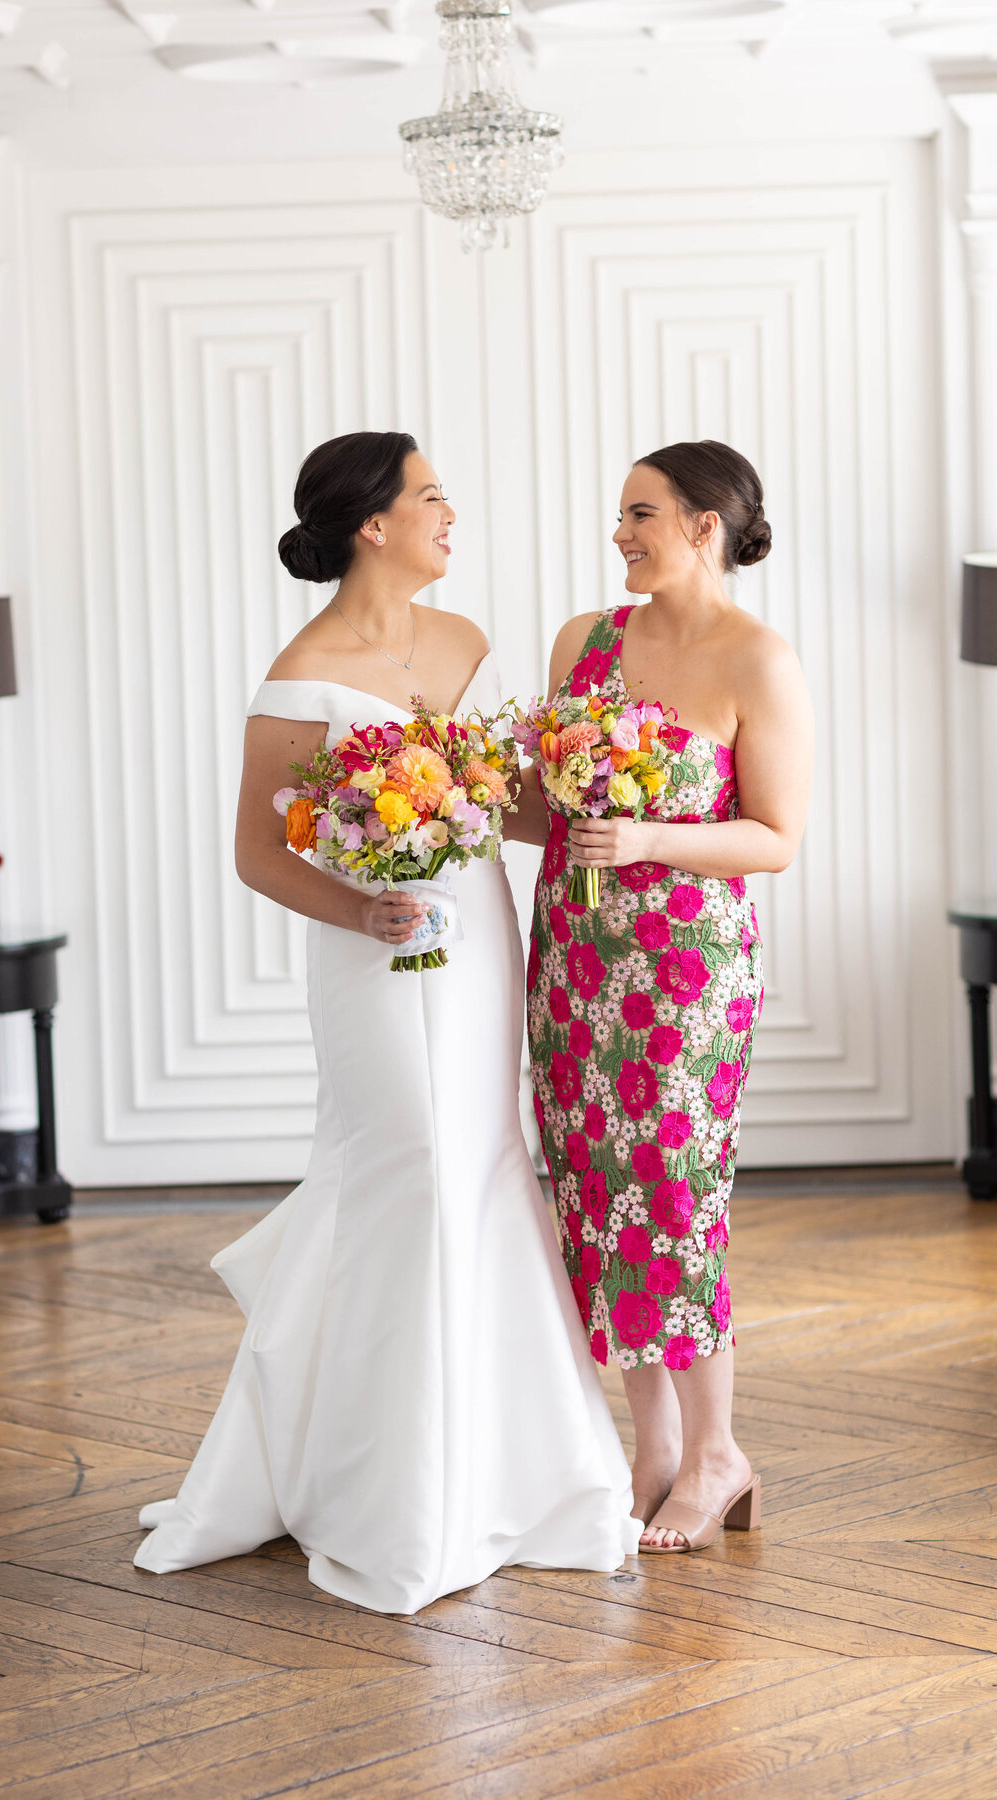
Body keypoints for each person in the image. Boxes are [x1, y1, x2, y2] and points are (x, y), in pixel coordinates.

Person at [134, 430, 639, 1612]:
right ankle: (384, 1486)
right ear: (374, 524)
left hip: (478, 935)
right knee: (406, 1166)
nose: (450, 515)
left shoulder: (465, 643)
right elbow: (260, 854)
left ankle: (516, 1471)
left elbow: (505, 812)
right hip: (374, 954)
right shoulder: (300, 673)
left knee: (482, 1161)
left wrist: (611, 797)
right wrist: (362, 913)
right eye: (431, 498)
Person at [522, 440, 814, 1553]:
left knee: (675, 1198)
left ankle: (719, 1453)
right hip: (574, 959)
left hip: (686, 977)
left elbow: (778, 839)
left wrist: (648, 835)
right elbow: (551, 812)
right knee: (597, 1194)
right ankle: (651, 1450)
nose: (620, 534)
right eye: (619, 514)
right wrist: (434, 803)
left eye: (640, 513)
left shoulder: (760, 661)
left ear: (704, 524)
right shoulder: (583, 643)